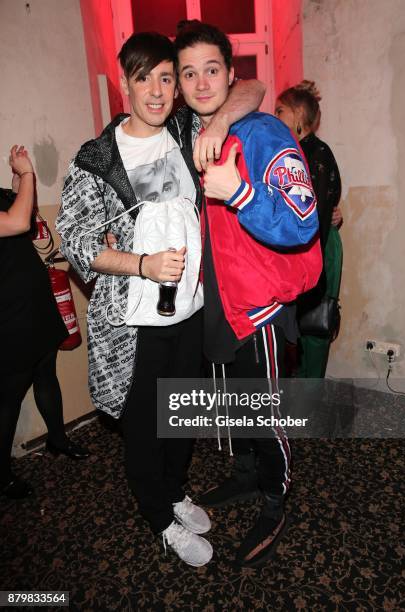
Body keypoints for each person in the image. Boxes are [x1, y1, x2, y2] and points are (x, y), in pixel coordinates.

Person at [56, 32, 265, 567]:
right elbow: (76, 240)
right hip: (134, 326)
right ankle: (158, 518)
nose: (156, 90)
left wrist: (217, 122)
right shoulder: (98, 157)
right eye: (143, 77)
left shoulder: (182, 128)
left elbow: (255, 88)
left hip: (190, 311)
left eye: (166, 77)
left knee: (182, 418)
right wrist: (141, 265)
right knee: (145, 429)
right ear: (123, 82)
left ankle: (174, 492)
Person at [173, 21, 322, 567]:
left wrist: (239, 191)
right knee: (234, 406)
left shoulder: (261, 133)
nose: (201, 82)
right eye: (189, 72)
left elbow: (302, 221)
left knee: (266, 410)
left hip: (259, 305)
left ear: (232, 75)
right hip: (218, 303)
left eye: (212, 69)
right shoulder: (188, 132)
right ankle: (245, 477)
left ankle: (276, 497)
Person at [0, 146, 89, 501]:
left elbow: (21, 212)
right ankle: (3, 475)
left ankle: (57, 439)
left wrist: (18, 179)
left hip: (35, 304)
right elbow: (18, 222)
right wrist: (28, 173)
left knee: (46, 373)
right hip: (10, 315)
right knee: (8, 398)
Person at [275, 80, 343, 377]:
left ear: (299, 114)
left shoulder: (316, 152)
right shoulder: (293, 152)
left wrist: (308, 270)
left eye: (280, 111)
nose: (274, 116)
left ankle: (309, 413)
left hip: (318, 248)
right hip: (305, 248)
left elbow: (316, 216)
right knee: (296, 334)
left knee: (313, 329)